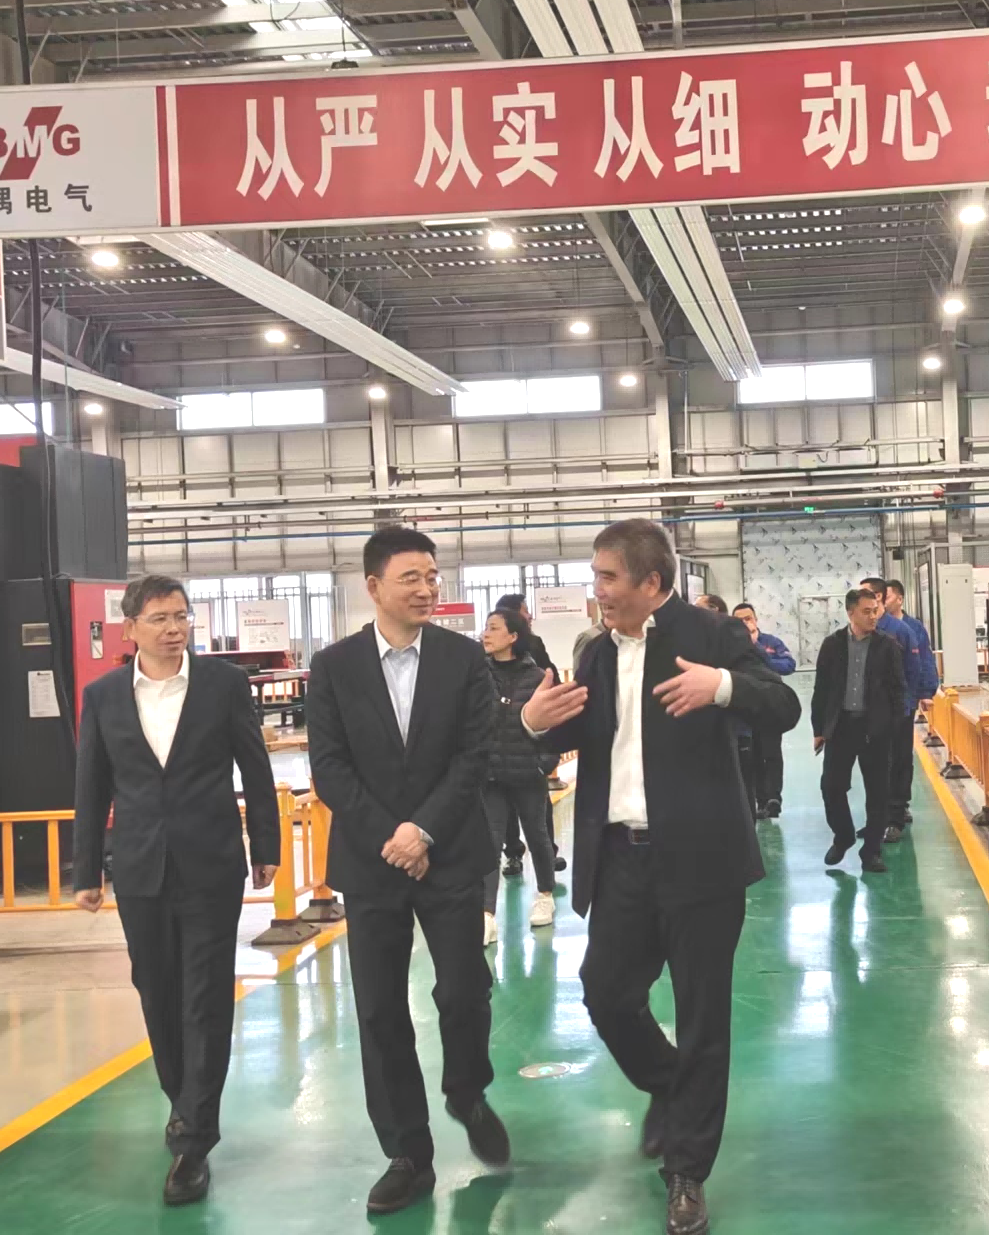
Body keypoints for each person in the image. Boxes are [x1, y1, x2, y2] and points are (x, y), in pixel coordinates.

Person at [521, 519, 800, 1236]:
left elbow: (783, 705)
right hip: (621, 857)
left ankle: (687, 1172)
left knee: (703, 1016)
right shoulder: (595, 652)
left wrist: (723, 686)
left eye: (607, 577)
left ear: (651, 582)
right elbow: (580, 733)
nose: (597, 590)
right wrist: (533, 722)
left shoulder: (710, 636)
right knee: (606, 991)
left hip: (701, 860)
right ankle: (670, 1084)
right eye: (595, 576)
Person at [307, 526, 508, 1215]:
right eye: (411, 578)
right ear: (373, 587)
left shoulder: (463, 658)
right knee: (379, 1008)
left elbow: (474, 754)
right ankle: (407, 1154)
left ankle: (466, 1091)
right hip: (371, 864)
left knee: (463, 989)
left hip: (448, 852)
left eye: (432, 576)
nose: (427, 589)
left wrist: (422, 830)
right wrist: (389, 836)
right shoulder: (333, 666)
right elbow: (329, 766)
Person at [72, 575, 281, 1208]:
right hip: (141, 868)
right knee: (156, 989)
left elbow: (255, 767)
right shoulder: (104, 696)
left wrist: (266, 848)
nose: (173, 628)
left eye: (182, 616)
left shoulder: (223, 685)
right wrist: (86, 870)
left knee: (205, 994)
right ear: (130, 627)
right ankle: (182, 1101)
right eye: (160, 618)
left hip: (210, 863)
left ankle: (194, 1139)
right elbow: (92, 786)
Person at [811, 587, 911, 874]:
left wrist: (894, 727)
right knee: (831, 787)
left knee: (878, 793)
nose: (873, 616)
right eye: (866, 611)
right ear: (850, 612)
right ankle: (843, 835)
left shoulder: (887, 646)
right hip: (841, 728)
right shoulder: (832, 645)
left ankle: (871, 853)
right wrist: (819, 729)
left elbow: (898, 690)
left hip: (875, 730)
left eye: (875, 610)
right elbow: (822, 689)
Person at [481, 607, 557, 942]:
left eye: (494, 628)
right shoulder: (478, 675)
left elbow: (554, 725)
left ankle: (545, 895)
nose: (486, 634)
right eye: (486, 628)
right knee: (490, 841)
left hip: (528, 773)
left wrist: (544, 764)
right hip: (491, 775)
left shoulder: (537, 677)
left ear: (513, 636)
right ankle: (486, 914)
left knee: (537, 834)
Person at [883, 577, 939, 840]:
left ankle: (900, 802)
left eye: (887, 597)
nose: (883, 602)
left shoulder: (913, 628)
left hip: (905, 701)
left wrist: (926, 692)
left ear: (900, 598)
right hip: (880, 704)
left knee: (902, 755)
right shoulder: (876, 626)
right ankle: (886, 806)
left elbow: (925, 660)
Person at [730, 603, 794, 819]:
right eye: (739, 620)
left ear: (756, 619)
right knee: (752, 755)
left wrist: (759, 651)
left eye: (748, 618)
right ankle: (761, 800)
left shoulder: (771, 643)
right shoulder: (731, 647)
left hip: (770, 706)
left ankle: (774, 798)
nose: (745, 623)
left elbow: (788, 665)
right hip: (746, 709)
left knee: (772, 752)